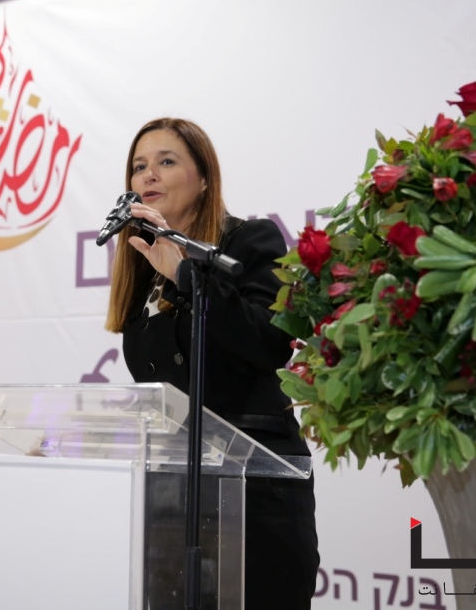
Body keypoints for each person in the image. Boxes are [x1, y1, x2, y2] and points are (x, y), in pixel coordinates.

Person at [105, 118, 319, 609]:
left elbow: (270, 342)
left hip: (254, 490)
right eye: (139, 167)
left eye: (166, 162)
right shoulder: (144, 267)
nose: (148, 176)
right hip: (173, 497)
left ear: (204, 179)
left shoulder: (249, 243)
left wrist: (187, 274)